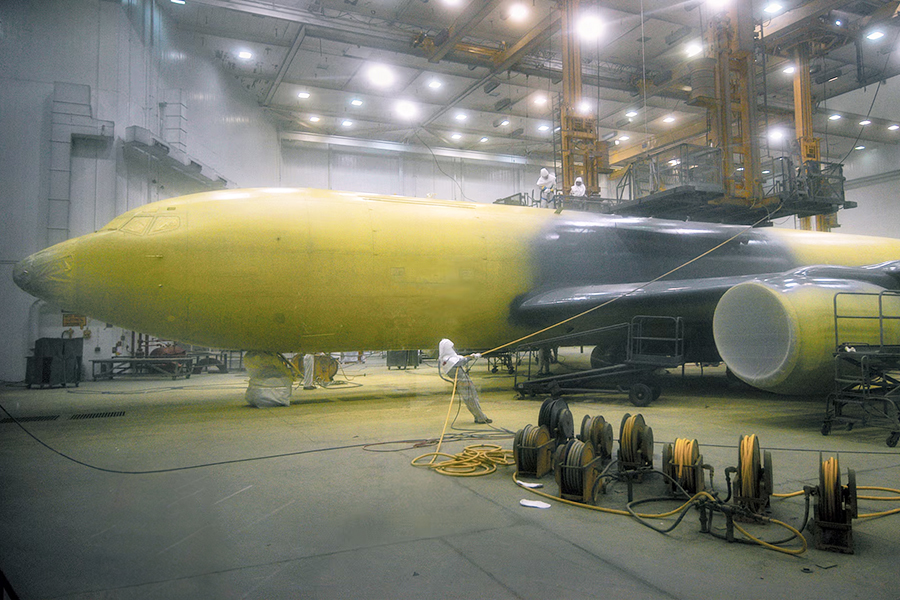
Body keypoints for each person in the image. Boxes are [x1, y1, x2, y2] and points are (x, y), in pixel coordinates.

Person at [438, 339, 491, 424]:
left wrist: (471, 356)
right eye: (451, 347)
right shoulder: (448, 359)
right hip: (462, 381)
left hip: (462, 380)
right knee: (471, 399)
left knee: (472, 398)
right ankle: (481, 418)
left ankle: (479, 416)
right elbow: (460, 361)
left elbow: (459, 358)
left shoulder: (446, 358)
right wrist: (472, 357)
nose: (453, 348)